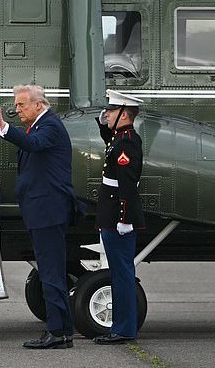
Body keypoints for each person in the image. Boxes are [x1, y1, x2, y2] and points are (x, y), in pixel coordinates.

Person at [0, 85, 79, 350]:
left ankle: (57, 332)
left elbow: (33, 145)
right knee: (51, 271)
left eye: (21, 105)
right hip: (43, 211)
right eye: (16, 105)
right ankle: (63, 331)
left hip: (47, 212)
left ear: (39, 105)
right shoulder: (39, 126)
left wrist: (3, 126)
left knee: (50, 272)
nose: (17, 110)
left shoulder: (49, 126)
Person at [92, 89, 145, 345]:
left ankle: (124, 329)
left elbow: (127, 185)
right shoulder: (121, 138)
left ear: (124, 115)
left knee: (122, 274)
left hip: (117, 217)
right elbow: (109, 143)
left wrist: (125, 219)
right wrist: (104, 124)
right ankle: (121, 326)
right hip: (112, 214)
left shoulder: (127, 142)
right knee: (118, 273)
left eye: (112, 111)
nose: (108, 113)